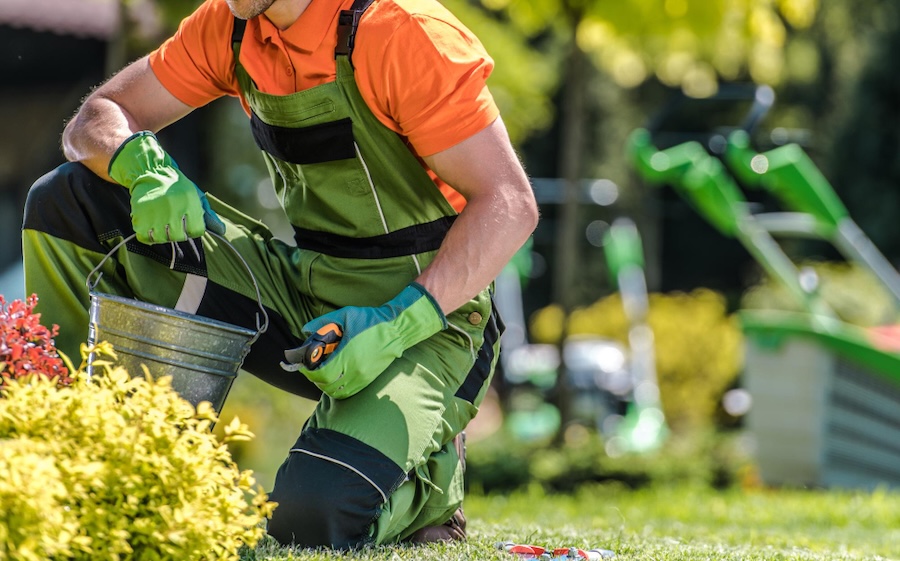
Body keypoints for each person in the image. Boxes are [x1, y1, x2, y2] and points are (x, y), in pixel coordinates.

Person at [21, 0, 538, 550]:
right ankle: (78, 452)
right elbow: (96, 116)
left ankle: (431, 490)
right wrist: (140, 164)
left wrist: (395, 324)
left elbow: (510, 202)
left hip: (432, 322)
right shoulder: (230, 24)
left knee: (310, 519)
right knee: (68, 201)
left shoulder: (404, 34)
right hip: (306, 294)